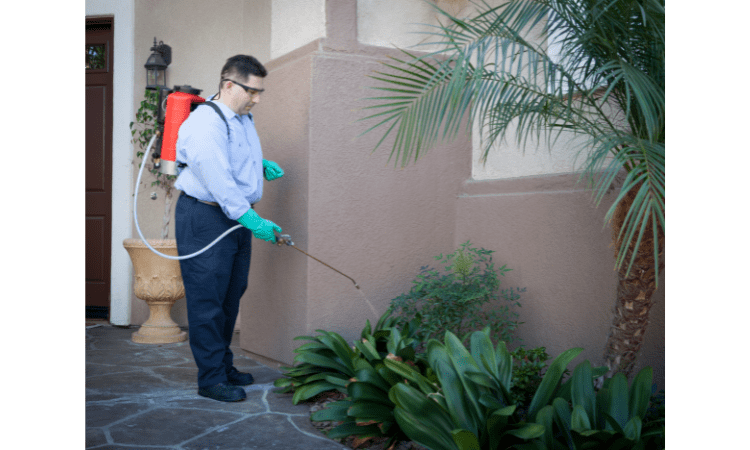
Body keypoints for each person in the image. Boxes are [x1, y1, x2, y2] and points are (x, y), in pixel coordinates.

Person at [173, 55, 284, 402]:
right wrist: (251, 219)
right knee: (207, 300)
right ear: (228, 85)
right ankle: (211, 379)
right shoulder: (205, 122)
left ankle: (223, 365)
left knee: (230, 293)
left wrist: (257, 166)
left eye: (261, 91)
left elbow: (232, 158)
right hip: (205, 217)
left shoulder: (242, 117)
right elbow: (217, 178)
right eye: (252, 91)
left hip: (233, 218)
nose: (258, 98)